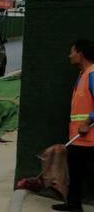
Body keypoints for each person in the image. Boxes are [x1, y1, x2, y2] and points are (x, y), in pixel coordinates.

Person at [52, 39, 94, 212]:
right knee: (75, 174)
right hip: (78, 138)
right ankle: (74, 205)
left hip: (90, 139)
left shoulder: (92, 74)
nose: (69, 55)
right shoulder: (83, 75)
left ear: (80, 54)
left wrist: (87, 122)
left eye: (72, 52)